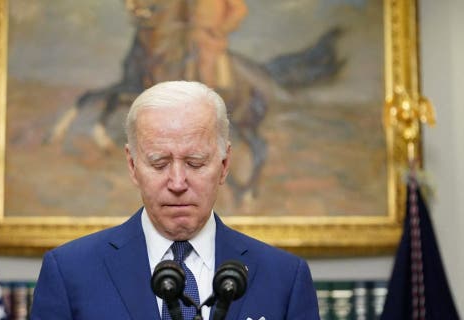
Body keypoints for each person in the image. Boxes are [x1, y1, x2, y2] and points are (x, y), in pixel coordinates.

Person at [30, 81, 319, 320]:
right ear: (132, 166)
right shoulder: (70, 273)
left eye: (195, 163)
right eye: (159, 163)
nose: (178, 183)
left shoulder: (284, 278)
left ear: (225, 163)